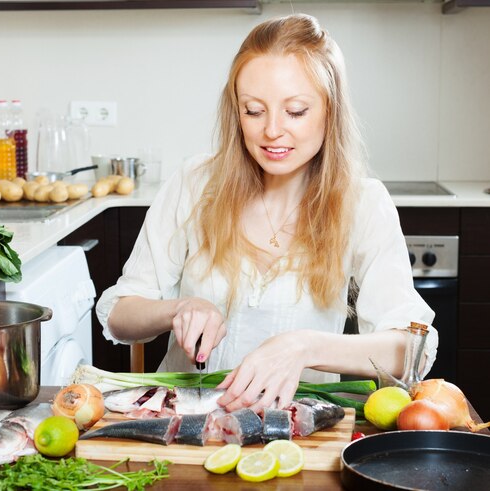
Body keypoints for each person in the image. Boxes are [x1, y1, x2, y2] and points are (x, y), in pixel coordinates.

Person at [96, 13, 437, 413]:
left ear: (330, 110)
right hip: (187, 420)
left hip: (293, 429)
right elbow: (120, 314)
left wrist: (304, 346)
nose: (272, 130)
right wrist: (178, 309)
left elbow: (413, 347)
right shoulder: (195, 182)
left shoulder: (362, 202)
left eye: (295, 111)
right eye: (254, 111)